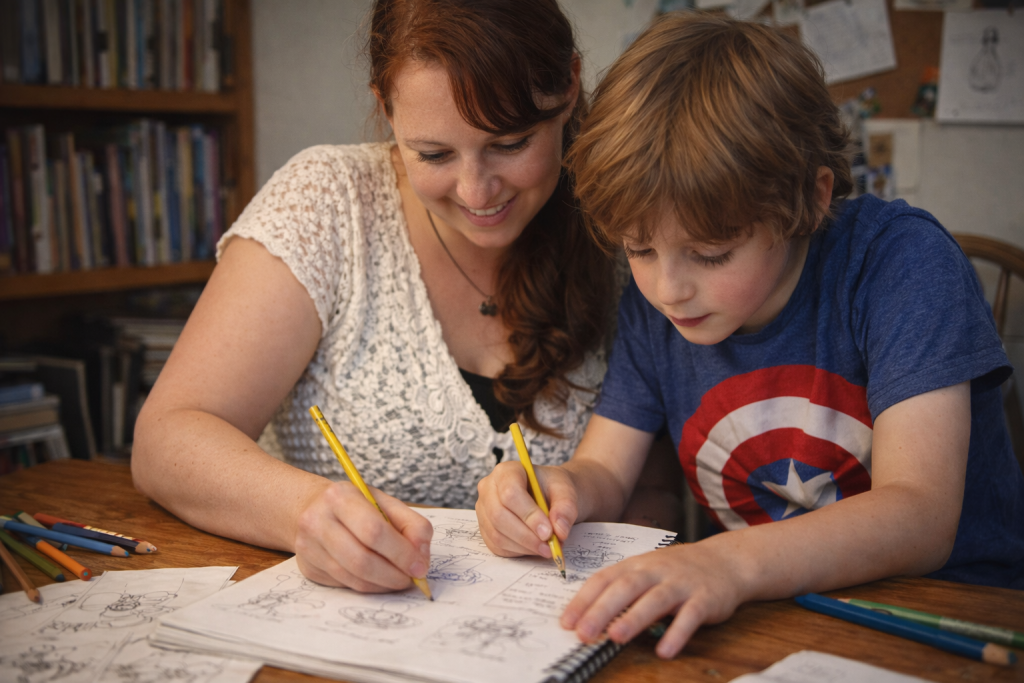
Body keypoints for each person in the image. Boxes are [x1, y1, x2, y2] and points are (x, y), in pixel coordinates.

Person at [475, 14, 1024, 660]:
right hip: (776, 619)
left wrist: (729, 563)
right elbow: (603, 468)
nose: (668, 288)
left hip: (953, 618)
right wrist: (554, 489)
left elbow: (919, 512)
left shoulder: (901, 265)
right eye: (640, 247)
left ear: (810, 198)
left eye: (710, 253)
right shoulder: (655, 309)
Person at [132, 0, 621, 594]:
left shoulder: (629, 228)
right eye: (434, 154)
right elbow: (166, 440)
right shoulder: (327, 204)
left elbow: (655, 487)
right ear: (385, 108)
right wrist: (305, 512)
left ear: (569, 86)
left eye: (511, 143)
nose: (477, 190)